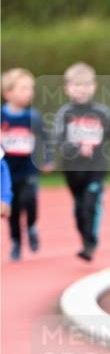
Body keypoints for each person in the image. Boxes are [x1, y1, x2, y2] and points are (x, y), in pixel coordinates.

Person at [53, 62, 110, 261]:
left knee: (90, 204)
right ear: (67, 88)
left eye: (85, 85)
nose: (80, 90)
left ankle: (90, 245)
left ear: (93, 87)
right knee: (79, 209)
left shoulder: (101, 112)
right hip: (72, 170)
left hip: (96, 167)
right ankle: (85, 238)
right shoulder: (65, 113)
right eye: (75, 85)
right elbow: (58, 140)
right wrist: (75, 148)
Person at [1, 68, 53, 260]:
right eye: (23, 89)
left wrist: (48, 158)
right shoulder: (2, 117)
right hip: (7, 171)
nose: (29, 93)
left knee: (29, 200)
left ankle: (31, 226)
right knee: (11, 208)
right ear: (8, 93)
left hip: (29, 168)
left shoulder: (34, 117)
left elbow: (46, 138)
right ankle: (15, 241)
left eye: (30, 89)